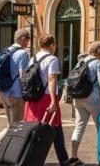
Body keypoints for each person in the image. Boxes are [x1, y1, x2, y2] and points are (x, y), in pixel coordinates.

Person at [0, 29, 31, 166]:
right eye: (27, 38)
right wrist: (26, 94)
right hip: (16, 94)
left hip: (4, 93)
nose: (28, 41)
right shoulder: (22, 54)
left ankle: (6, 154)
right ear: (22, 39)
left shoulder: (6, 51)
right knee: (14, 127)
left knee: (11, 125)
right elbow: (23, 76)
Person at [69, 41, 100, 165]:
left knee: (79, 127)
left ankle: (73, 156)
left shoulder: (80, 62)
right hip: (93, 99)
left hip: (78, 98)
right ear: (98, 51)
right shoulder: (98, 63)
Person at [24, 34, 70, 166]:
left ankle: (62, 159)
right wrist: (53, 100)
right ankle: (62, 159)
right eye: (54, 44)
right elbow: (51, 79)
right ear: (51, 45)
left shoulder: (33, 58)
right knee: (53, 127)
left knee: (38, 128)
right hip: (45, 97)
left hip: (33, 98)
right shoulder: (52, 59)